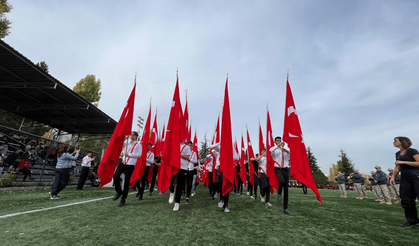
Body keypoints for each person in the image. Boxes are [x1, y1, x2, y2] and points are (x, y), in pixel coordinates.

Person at [390, 136, 419, 228]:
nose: (393, 142)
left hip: (416, 177)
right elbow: (397, 166)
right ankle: (413, 221)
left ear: (402, 141)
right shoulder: (398, 153)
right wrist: (393, 176)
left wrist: (404, 162)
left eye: (395, 140)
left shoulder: (412, 151)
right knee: (406, 200)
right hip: (405, 179)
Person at [112, 132, 142, 207]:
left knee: (126, 182)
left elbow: (139, 154)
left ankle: (123, 200)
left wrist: (129, 154)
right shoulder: (126, 142)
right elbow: (119, 145)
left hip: (130, 165)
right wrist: (124, 138)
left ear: (136, 137)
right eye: (131, 134)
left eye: (134, 135)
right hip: (123, 162)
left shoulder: (138, 145)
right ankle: (119, 191)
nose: (132, 136)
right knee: (116, 176)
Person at [269, 136, 292, 215]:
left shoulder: (285, 149)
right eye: (277, 141)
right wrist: (278, 146)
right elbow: (271, 151)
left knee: (286, 189)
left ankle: (285, 208)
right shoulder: (274, 149)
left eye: (280, 140)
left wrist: (285, 150)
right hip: (278, 168)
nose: (279, 142)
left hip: (285, 169)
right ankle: (279, 193)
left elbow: (290, 156)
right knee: (281, 181)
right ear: (275, 142)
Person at [172, 141, 192, 211]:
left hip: (182, 168)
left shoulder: (186, 147)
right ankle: (172, 191)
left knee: (179, 186)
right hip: (173, 167)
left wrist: (179, 155)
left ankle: (177, 203)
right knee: (170, 181)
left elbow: (188, 157)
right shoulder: (174, 145)